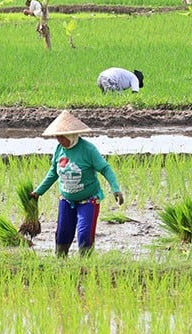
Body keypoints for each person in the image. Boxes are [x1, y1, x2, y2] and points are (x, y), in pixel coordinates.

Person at [30, 110, 124, 256]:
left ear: (71, 135)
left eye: (62, 137)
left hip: (88, 200)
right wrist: (38, 192)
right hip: (66, 200)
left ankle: (85, 266)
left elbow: (105, 169)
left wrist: (115, 189)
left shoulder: (88, 150)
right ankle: (61, 263)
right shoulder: (59, 149)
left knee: (84, 233)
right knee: (62, 233)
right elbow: (53, 172)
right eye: (57, 137)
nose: (59, 140)